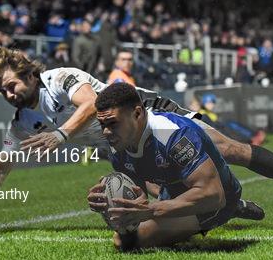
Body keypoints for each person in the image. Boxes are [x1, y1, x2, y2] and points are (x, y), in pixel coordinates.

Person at [0, 47, 273, 217]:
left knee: (226, 149)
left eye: (13, 84)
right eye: (3, 89)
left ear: (32, 75)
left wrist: (61, 136)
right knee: (159, 194)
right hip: (121, 147)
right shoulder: (21, 123)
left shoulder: (60, 78)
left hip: (145, 113)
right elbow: (3, 163)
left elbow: (89, 105)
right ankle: (234, 206)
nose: (8, 93)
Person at [87, 83, 257, 250]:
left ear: (137, 113)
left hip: (218, 200)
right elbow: (138, 201)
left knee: (127, 243)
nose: (106, 132)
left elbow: (213, 195)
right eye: (102, 124)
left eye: (113, 123)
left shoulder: (172, 133)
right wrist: (110, 204)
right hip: (174, 190)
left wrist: (152, 209)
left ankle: (234, 207)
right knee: (124, 235)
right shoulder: (117, 144)